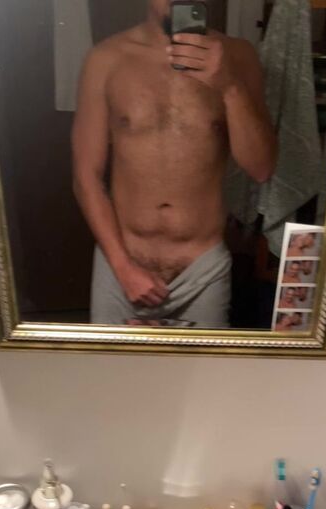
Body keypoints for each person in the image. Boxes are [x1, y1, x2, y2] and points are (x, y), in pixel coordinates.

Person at [72, 0, 277, 327]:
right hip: (122, 264)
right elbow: (86, 177)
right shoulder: (106, 59)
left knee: (207, 364)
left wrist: (229, 86)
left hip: (202, 270)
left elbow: (261, 168)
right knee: (110, 363)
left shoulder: (238, 56)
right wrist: (123, 268)